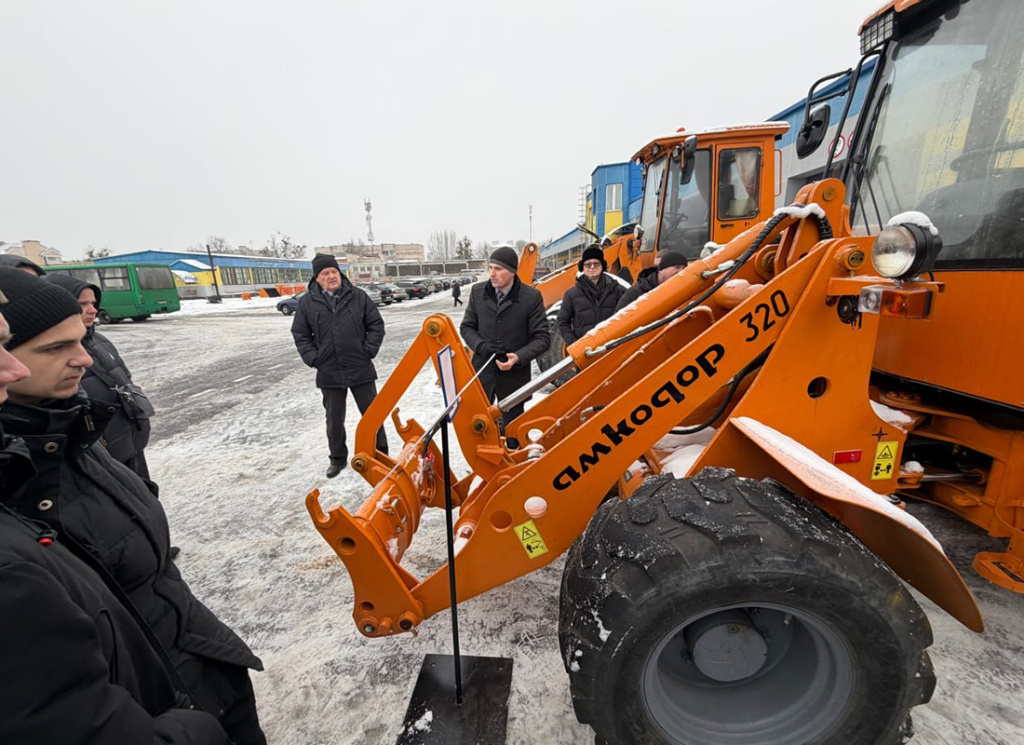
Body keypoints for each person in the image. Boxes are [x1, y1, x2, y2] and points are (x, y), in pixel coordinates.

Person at [0, 268, 266, 745]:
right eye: (54, 348)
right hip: (156, 705)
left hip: (200, 669)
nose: (83, 359)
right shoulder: (22, 477)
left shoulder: (69, 433)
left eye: (81, 339)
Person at [47, 273, 153, 480]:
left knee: (145, 499)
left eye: (93, 303)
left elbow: (124, 378)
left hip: (129, 439)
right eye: (82, 304)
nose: (93, 310)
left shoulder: (99, 340)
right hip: (98, 452)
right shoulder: (52, 352)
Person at [292, 253, 388, 478]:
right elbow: (300, 333)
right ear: (317, 278)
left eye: (334, 271)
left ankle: (381, 454)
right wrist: (313, 357)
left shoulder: (358, 296)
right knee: (334, 420)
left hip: (359, 366)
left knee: (372, 414)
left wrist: (368, 350)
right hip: (329, 370)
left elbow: (376, 325)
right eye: (325, 273)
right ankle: (337, 459)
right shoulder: (307, 302)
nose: (331, 276)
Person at [460, 245, 550, 426]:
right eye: (490, 268)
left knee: (512, 432)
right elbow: (467, 327)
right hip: (483, 374)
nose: (492, 273)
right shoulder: (478, 293)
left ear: (511, 272)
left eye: (498, 269)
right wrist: (480, 346)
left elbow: (542, 338)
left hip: (513, 379)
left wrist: (518, 357)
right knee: (478, 429)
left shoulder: (531, 298)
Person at [556, 245, 626, 347]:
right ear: (583, 268)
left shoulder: (617, 291)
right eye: (588, 264)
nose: (592, 267)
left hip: (611, 348)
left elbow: (625, 316)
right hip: (585, 351)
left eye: (596, 263)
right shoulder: (571, 294)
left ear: (602, 266)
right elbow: (562, 321)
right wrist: (574, 344)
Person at [614, 249, 689, 311]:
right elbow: (618, 318)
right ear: (661, 270)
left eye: (684, 268)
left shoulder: (687, 291)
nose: (681, 271)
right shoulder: (636, 293)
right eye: (677, 267)